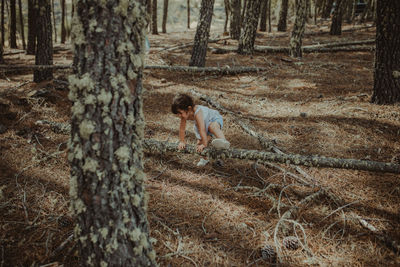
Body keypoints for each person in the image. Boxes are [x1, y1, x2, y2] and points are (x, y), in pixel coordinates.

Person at [171, 93, 230, 166]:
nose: (179, 116)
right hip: (202, 124)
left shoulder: (198, 112)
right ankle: (205, 159)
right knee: (199, 143)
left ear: (189, 108)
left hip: (213, 119)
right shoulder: (184, 115)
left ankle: (223, 142)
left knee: (212, 127)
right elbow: (182, 129)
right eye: (177, 114)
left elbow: (202, 129)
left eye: (180, 113)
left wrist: (204, 144)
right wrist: (182, 141)